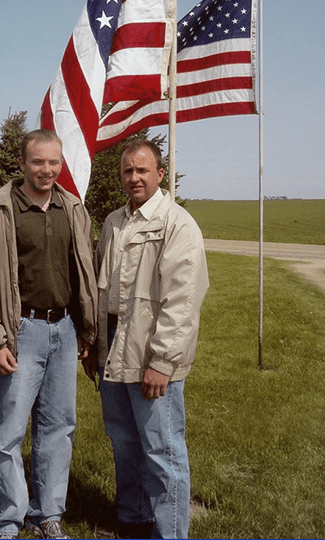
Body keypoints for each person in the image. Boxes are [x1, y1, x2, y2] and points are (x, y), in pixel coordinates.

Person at [0, 129, 97, 540]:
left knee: (58, 427)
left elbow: (84, 274)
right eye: (38, 162)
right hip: (21, 333)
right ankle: (6, 522)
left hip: (65, 330)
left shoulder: (72, 208)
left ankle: (47, 515)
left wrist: (86, 327)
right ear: (21, 164)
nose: (47, 170)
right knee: (8, 434)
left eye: (54, 162)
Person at [85, 139, 209, 540]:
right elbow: (101, 292)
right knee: (124, 442)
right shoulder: (114, 223)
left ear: (159, 173)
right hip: (112, 353)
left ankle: (169, 532)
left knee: (163, 450)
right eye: (127, 171)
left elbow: (183, 301)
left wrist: (162, 362)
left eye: (143, 170)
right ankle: (133, 519)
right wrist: (95, 346)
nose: (134, 177)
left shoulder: (176, 224)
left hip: (150, 356)